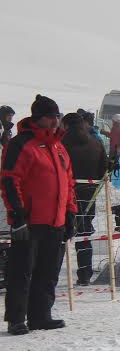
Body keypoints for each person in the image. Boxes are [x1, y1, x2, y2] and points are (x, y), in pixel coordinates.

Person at [1, 95, 76, 334]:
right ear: (38, 118)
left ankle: (41, 315)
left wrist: (71, 212)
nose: (55, 122)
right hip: (30, 219)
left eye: (57, 117)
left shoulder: (59, 147)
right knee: (22, 270)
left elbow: (69, 183)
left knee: (48, 270)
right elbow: (10, 180)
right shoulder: (21, 144)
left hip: (55, 219)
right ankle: (16, 318)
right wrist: (17, 214)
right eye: (50, 117)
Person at [61, 112, 109, 286]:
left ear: (66, 126)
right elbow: (104, 168)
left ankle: (50, 273)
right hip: (89, 195)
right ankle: (85, 273)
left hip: (67, 196)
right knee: (84, 233)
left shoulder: (62, 144)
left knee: (61, 234)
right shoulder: (96, 142)